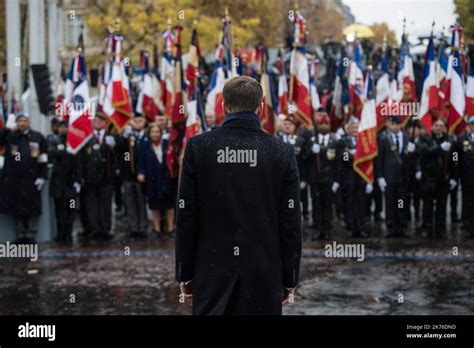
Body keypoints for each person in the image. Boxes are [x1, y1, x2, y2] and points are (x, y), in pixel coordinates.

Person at [175, 76, 302, 315]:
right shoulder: (281, 152)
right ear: (261, 107)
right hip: (263, 270)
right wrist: (289, 277)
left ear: (223, 105)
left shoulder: (198, 147)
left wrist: (185, 272)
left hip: (212, 268)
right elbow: (291, 222)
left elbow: (186, 216)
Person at [0, 112, 48, 244]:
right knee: (17, 208)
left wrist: (43, 176)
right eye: (19, 121)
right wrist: (6, 130)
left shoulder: (37, 137)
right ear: (16, 123)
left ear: (28, 122)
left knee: (32, 208)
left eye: (24, 121)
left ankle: (31, 235)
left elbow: (43, 157)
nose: (22, 123)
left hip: (32, 178)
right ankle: (20, 235)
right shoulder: (11, 136)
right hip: (15, 179)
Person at [376, 116, 416, 237]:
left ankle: (401, 226)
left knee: (401, 202)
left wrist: (413, 151)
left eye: (397, 124)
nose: (395, 127)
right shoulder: (383, 139)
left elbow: (411, 160)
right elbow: (379, 159)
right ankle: (391, 227)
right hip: (389, 176)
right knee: (390, 202)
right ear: (388, 125)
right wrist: (380, 177)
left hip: (403, 176)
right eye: (392, 124)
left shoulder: (407, 137)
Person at [78, 114, 116, 239]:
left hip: (107, 176)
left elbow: (121, 154)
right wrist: (81, 176)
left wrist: (115, 144)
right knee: (92, 205)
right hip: (90, 178)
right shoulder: (86, 138)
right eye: (95, 120)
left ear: (106, 123)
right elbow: (81, 158)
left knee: (106, 205)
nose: (97, 122)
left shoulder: (111, 136)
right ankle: (95, 229)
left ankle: (105, 229)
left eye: (100, 120)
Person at [418, 119, 456, 238]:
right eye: (436, 125)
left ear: (444, 127)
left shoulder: (449, 140)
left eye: (441, 126)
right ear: (432, 127)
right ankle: (426, 229)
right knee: (427, 205)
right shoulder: (425, 139)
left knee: (442, 206)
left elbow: (454, 160)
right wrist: (440, 148)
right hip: (429, 177)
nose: (439, 128)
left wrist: (454, 177)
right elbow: (424, 152)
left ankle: (441, 229)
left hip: (443, 178)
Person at [333, 116, 370, 238]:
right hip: (348, 177)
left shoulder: (364, 141)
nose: (355, 129)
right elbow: (342, 159)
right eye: (352, 127)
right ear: (347, 129)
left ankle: (361, 227)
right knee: (349, 203)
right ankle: (351, 227)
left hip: (361, 176)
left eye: (357, 127)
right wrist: (352, 156)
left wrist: (370, 180)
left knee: (361, 203)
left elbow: (370, 159)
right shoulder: (342, 142)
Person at [137, 123, 176, 238]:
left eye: (157, 132)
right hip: (152, 180)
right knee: (155, 206)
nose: (155, 134)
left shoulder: (167, 145)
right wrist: (140, 173)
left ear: (161, 133)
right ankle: (157, 229)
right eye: (153, 132)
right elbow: (140, 161)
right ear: (149, 133)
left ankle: (170, 229)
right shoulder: (144, 146)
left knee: (169, 205)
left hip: (167, 179)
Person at [302, 113, 337, 240]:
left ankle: (327, 229)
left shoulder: (335, 140)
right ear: (317, 125)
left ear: (329, 125)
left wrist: (336, 180)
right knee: (316, 205)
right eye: (321, 124)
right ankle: (318, 229)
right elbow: (304, 158)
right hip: (315, 179)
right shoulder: (312, 140)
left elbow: (338, 163)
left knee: (328, 205)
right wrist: (312, 151)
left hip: (329, 179)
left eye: (326, 124)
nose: (323, 126)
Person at [48, 118, 81, 242]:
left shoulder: (74, 141)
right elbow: (52, 152)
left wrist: (78, 180)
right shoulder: (54, 139)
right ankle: (61, 233)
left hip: (70, 184)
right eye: (61, 127)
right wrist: (63, 151)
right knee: (60, 210)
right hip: (58, 184)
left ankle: (68, 232)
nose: (63, 129)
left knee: (70, 209)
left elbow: (78, 163)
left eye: (65, 127)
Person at [116, 114, 149, 237]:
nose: (138, 123)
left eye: (140, 120)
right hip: (127, 174)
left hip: (141, 174)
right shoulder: (127, 136)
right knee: (129, 201)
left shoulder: (146, 136)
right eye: (135, 121)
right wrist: (124, 137)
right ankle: (133, 227)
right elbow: (118, 151)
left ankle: (142, 226)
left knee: (141, 200)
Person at [277, 115, 308, 221]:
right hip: (279, 178)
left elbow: (304, 162)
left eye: (290, 124)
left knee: (295, 203)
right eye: (285, 124)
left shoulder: (300, 141)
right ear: (280, 125)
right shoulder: (275, 140)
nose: (287, 126)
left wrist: (304, 179)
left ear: (294, 127)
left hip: (296, 177)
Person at [454, 116, 474, 238]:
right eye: (471, 125)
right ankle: (467, 225)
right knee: (467, 202)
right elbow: (455, 155)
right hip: (467, 176)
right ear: (468, 126)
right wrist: (456, 170)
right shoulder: (461, 139)